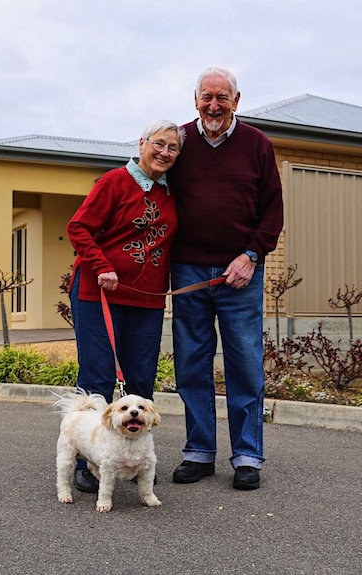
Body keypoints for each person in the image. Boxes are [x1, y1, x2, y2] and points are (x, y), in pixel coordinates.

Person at [167, 67, 284, 490]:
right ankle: (198, 452)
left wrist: (251, 256)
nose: (213, 105)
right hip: (189, 270)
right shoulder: (177, 142)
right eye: (206, 97)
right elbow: (147, 179)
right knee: (192, 363)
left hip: (242, 272)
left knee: (245, 365)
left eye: (222, 97)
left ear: (236, 100)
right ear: (194, 99)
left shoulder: (257, 144)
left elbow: (273, 209)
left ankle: (247, 456)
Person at [66, 119, 184, 493]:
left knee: (141, 380)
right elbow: (78, 227)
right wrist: (102, 266)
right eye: (159, 144)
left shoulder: (171, 193)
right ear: (142, 143)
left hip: (145, 298)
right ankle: (89, 461)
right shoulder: (116, 181)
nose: (164, 153)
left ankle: (132, 461)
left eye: (173, 148)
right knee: (98, 377)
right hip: (99, 291)